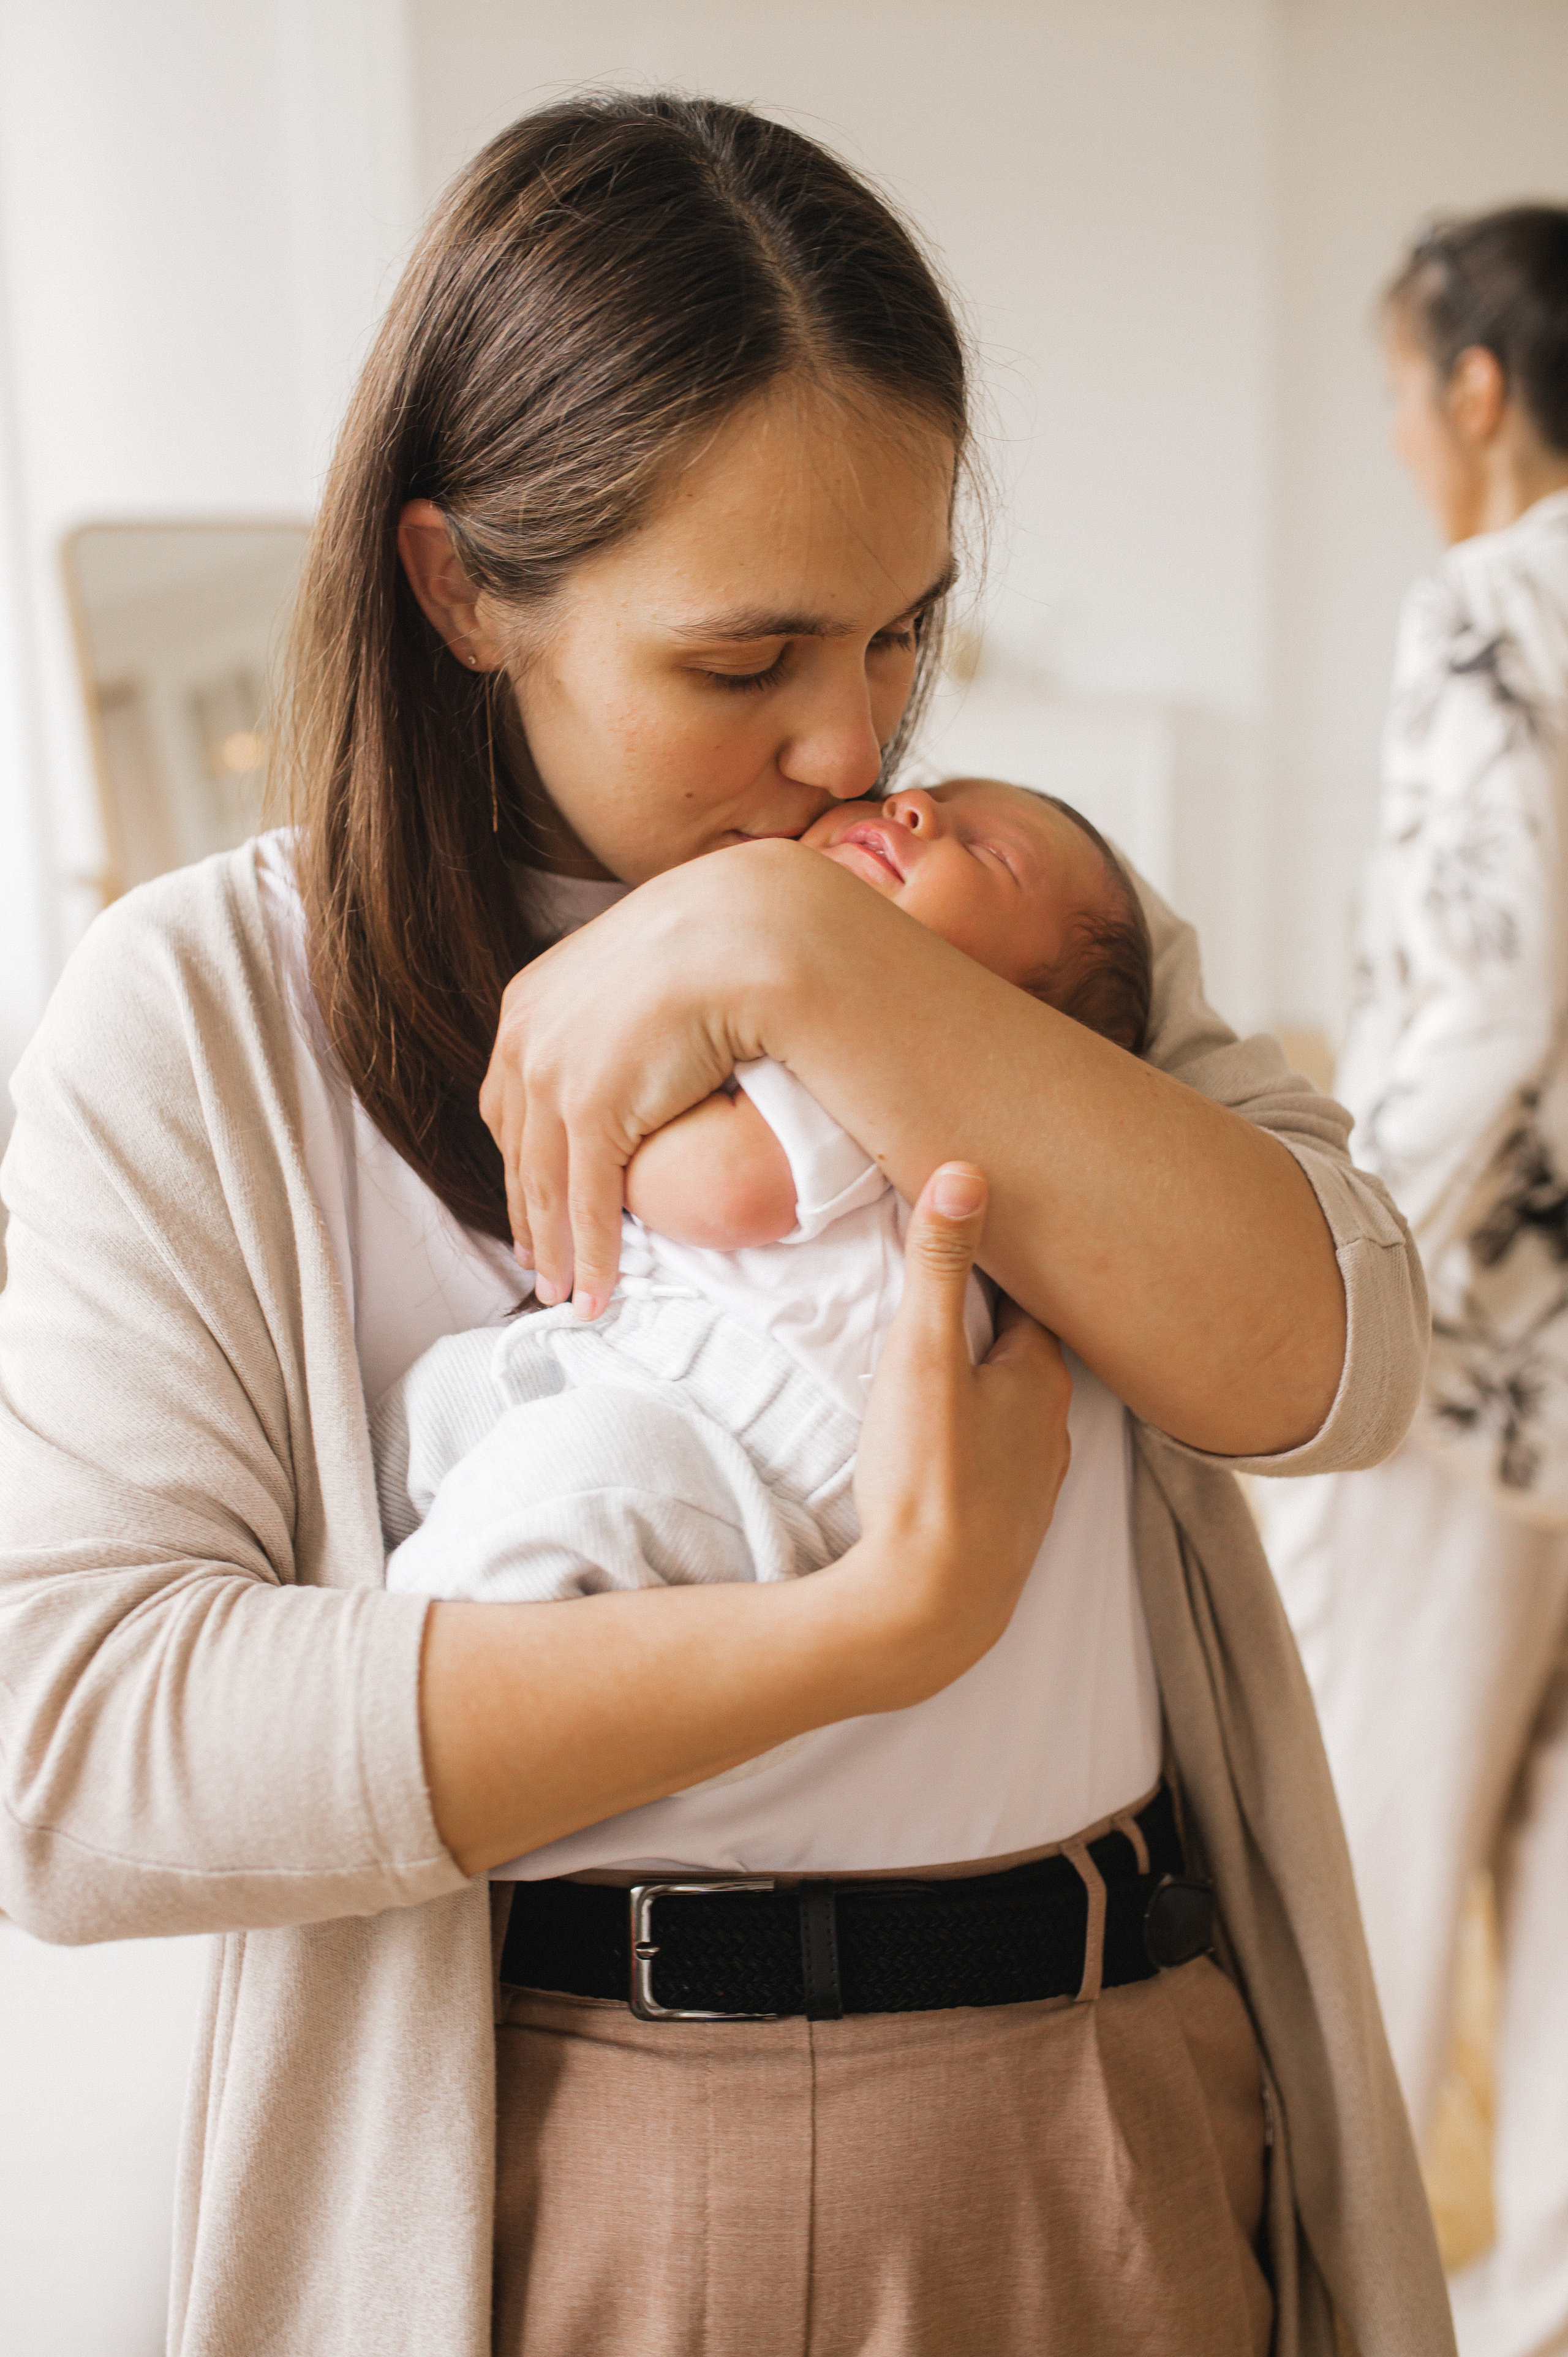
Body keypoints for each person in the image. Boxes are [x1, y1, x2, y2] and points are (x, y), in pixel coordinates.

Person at [0, 95, 1449, 2357]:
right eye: (746, 659)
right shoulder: (202, 1006)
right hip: (578, 2165)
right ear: (463, 586)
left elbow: (1341, 1365)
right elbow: (85, 1758)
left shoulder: (989, 908)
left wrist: (802, 954)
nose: (854, 744)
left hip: (1120, 2093)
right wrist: (873, 1632)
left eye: (905, 633)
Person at [377, 777, 1148, 1631]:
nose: (917, 812)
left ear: (1019, 1016)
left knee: (566, 1486)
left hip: (745, 1445)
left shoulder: (882, 1075)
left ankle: (427, 1669)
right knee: (433, 1409)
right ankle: (360, 1597)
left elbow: (722, 1186)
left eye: (993, 856)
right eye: (914, 800)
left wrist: (605, 1110)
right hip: (649, 1374)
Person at [1262, 205, 1568, 2357]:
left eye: (1396, 387)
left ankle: (1339, 2300)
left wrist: (1332, 1267)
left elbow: (1484, 984)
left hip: (1475, 1338)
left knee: (1366, 1836)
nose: (1396, 432)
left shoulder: (1494, 599)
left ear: (1478, 382)